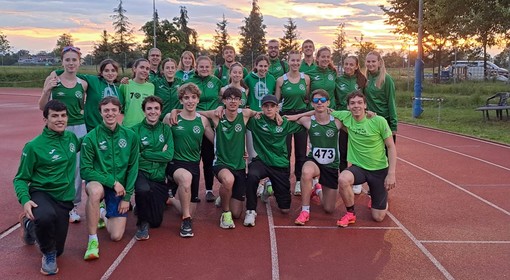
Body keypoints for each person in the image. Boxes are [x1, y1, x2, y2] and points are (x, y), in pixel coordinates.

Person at [14, 100, 80, 275]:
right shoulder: (33, 146)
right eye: (54, 116)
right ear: (45, 119)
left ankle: (29, 226)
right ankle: (48, 255)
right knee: (45, 218)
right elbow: (20, 178)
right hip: (42, 193)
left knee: (60, 250)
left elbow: (90, 144)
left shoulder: (71, 139)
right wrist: (25, 199)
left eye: (63, 116)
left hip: (64, 198)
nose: (60, 119)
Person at [81, 96, 139, 260]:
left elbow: (133, 168)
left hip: (120, 188)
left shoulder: (130, 136)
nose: (110, 113)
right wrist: (112, 182)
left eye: (114, 110)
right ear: (100, 112)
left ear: (119, 111)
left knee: (116, 236)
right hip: (100, 183)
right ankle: (92, 241)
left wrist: (127, 197)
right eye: (106, 110)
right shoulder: (91, 137)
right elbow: (85, 170)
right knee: (94, 191)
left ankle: (101, 212)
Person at [331, 91, 396, 227]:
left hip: (379, 170)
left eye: (360, 103)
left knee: (378, 217)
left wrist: (391, 173)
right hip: (359, 168)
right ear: (348, 106)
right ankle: (350, 213)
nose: (356, 106)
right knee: (343, 179)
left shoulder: (378, 121)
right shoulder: (346, 117)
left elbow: (391, 147)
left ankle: (379, 197)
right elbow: (322, 109)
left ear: (365, 105)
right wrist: (295, 116)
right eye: (352, 103)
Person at [39, 45, 88, 224]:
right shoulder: (53, 79)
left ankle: (72, 205)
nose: (71, 63)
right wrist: (47, 90)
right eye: (67, 59)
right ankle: (52, 199)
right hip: (58, 128)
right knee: (56, 163)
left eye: (74, 60)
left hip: (79, 128)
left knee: (76, 168)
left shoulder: (82, 83)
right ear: (62, 62)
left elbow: (83, 106)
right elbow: (41, 106)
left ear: (79, 62)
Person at [198, 87, 260, 228]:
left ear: (240, 101)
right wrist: (176, 111)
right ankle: (225, 214)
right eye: (229, 98)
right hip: (221, 162)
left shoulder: (245, 114)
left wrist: (279, 116)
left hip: (239, 165)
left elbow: (261, 113)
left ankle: (225, 194)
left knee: (237, 214)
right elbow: (195, 113)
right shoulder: (216, 115)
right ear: (224, 100)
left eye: (236, 99)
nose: (233, 101)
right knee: (228, 180)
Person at [244, 95, 303, 227]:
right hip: (262, 161)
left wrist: (294, 117)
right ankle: (251, 210)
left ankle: (267, 188)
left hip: (279, 164)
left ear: (277, 108)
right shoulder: (255, 121)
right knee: (252, 176)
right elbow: (242, 112)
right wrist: (255, 113)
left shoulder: (285, 123)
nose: (269, 109)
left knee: (285, 210)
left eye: (272, 106)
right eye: (266, 106)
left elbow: (307, 120)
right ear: (262, 108)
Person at [164, 83, 214, 237]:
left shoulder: (203, 121)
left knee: (190, 209)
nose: (190, 101)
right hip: (175, 163)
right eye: (186, 98)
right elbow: (161, 139)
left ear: (198, 100)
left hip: (193, 164)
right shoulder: (171, 118)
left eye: (193, 97)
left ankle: (170, 198)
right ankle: (186, 222)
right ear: (181, 100)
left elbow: (216, 142)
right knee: (185, 179)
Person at [286, 89, 342, 225]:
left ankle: (317, 189)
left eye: (323, 100)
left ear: (328, 102)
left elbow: (357, 118)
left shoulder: (338, 121)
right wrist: (295, 117)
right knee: (306, 172)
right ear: (312, 103)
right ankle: (305, 211)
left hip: (331, 165)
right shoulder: (307, 121)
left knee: (328, 208)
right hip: (314, 161)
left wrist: (370, 115)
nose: (319, 103)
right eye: (316, 101)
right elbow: (286, 120)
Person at [131, 96, 174, 240]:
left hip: (159, 176)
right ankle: (142, 223)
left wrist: (146, 153)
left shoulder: (166, 129)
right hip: (142, 172)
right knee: (143, 190)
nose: (152, 111)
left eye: (156, 108)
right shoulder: (135, 130)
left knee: (156, 222)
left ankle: (144, 207)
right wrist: (158, 154)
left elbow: (168, 155)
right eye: (149, 108)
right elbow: (135, 156)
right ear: (144, 111)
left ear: (161, 111)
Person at [275, 50, 310, 196]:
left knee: (301, 152)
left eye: (297, 60)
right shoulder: (281, 80)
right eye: (292, 60)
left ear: (300, 61)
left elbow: (307, 99)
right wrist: (278, 116)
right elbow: (276, 102)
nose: (295, 63)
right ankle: (284, 181)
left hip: (301, 118)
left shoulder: (306, 79)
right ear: (288, 61)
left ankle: (298, 182)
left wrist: (302, 116)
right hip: (287, 118)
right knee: (286, 152)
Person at [51, 58, 121, 132]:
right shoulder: (94, 81)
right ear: (101, 72)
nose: (110, 73)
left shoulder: (118, 90)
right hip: (91, 127)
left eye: (113, 70)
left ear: (117, 73)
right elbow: (73, 75)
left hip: (108, 129)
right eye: (106, 70)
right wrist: (56, 72)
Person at [188, 56, 223, 202]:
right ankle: (191, 191)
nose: (204, 69)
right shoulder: (190, 82)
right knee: (193, 159)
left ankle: (209, 190)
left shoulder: (216, 81)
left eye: (207, 67)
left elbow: (223, 97)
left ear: (211, 67)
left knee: (209, 159)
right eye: (201, 67)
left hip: (212, 125)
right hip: (194, 124)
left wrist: (221, 107)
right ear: (196, 68)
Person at [335, 55, 367, 194]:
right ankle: (343, 177)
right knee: (342, 150)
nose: (348, 67)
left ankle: (357, 180)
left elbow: (365, 100)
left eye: (351, 64)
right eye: (346, 64)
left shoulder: (361, 81)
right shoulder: (338, 80)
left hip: (356, 119)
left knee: (356, 150)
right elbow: (334, 98)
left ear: (356, 66)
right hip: (343, 119)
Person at [364, 51, 398, 143]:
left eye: (373, 61)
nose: (370, 64)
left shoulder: (386, 79)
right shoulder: (365, 79)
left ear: (379, 63)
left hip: (384, 120)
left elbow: (391, 102)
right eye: (368, 62)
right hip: (370, 120)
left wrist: (393, 125)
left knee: (387, 153)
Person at [119, 58, 155, 127]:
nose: (144, 70)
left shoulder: (151, 87)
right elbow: (119, 105)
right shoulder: (126, 84)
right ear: (134, 69)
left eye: (147, 69)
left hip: (145, 126)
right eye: (142, 67)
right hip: (128, 126)